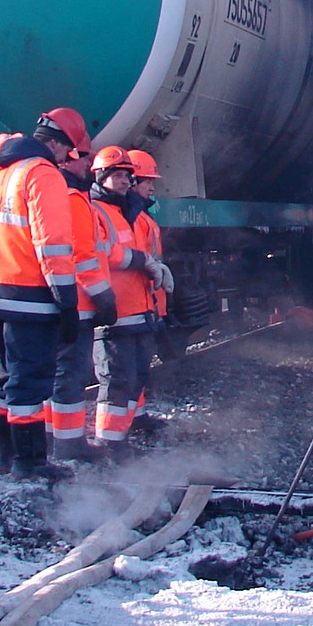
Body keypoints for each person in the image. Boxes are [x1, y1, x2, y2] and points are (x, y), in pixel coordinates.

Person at [0, 108, 110, 480]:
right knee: (31, 378)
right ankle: (30, 464)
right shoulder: (41, 174)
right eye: (70, 152)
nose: (68, 160)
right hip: (26, 292)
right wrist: (66, 303)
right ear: (59, 144)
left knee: (1, 377)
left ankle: (6, 456)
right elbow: (54, 247)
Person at [41, 108, 112, 463]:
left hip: (66, 302)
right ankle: (69, 446)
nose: (89, 165)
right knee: (70, 375)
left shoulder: (66, 196)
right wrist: (104, 297)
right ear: (69, 157)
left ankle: (58, 442)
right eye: (84, 157)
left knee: (61, 375)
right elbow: (83, 256)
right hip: (77, 304)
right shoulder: (72, 200)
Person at [85, 145, 163, 456]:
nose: (123, 182)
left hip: (139, 310)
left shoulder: (127, 213)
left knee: (135, 376)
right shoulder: (97, 211)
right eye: (116, 175)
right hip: (113, 312)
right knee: (116, 380)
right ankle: (111, 444)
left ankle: (124, 435)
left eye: (126, 176)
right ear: (101, 177)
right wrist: (141, 260)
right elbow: (98, 250)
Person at [125, 149, 173, 431]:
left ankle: (137, 415)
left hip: (148, 304)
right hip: (136, 304)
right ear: (132, 182)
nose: (152, 187)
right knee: (128, 369)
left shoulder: (142, 218)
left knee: (140, 367)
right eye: (146, 181)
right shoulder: (133, 220)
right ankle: (120, 430)